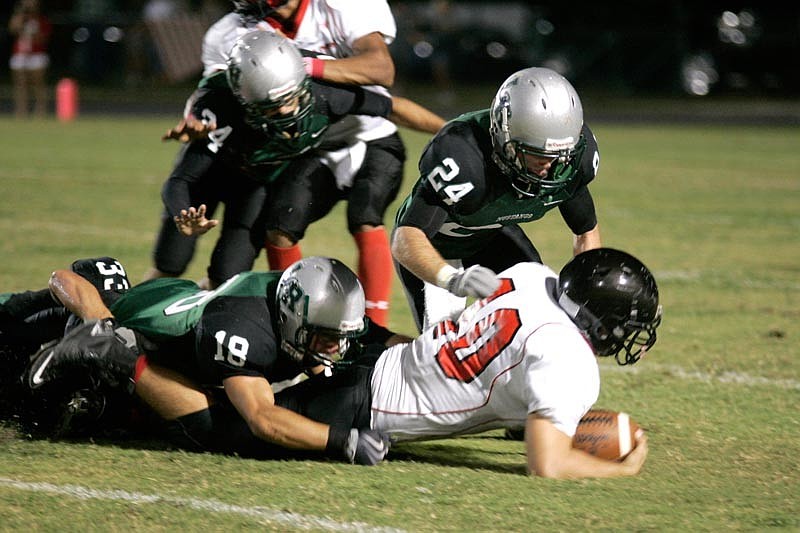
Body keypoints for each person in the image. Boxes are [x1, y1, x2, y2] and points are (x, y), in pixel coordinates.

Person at [169, 0, 446, 326]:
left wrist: (452, 131)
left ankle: (375, 329)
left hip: (369, 132)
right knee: (279, 227)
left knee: (365, 216)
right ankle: (290, 320)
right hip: (313, 146)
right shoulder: (234, 33)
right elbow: (213, 93)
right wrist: (195, 119)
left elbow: (384, 79)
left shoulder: (338, 17)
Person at [27, 256, 410, 465]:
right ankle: (107, 348)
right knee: (214, 426)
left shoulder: (302, 306)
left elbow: (381, 338)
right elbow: (263, 420)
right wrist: (343, 442)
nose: (334, 349)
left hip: (169, 331)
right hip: (137, 336)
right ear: (293, 320)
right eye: (326, 339)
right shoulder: (244, 327)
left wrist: (444, 347)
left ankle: (108, 373)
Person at [142, 31, 426, 295]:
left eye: (292, 97)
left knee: (226, 277)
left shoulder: (324, 95)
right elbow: (183, 178)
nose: (289, 109)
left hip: (254, 187)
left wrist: (451, 131)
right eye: (273, 105)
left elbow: (393, 107)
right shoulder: (222, 108)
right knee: (169, 264)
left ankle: (188, 325)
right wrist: (182, 214)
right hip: (210, 180)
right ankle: (125, 326)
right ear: (246, 99)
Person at [391, 67, 603, 332]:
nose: (549, 166)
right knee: (444, 351)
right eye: (537, 154)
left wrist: (587, 296)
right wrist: (452, 279)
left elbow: (586, 232)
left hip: (490, 237)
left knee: (539, 315)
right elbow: (406, 237)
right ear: (506, 138)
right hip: (436, 250)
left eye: (559, 156)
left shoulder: (569, 164)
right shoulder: (464, 157)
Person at [8, 0, 51, 118]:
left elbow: (43, 39)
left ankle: (40, 110)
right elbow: (12, 29)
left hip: (36, 54)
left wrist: (33, 32)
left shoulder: (41, 20)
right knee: (20, 84)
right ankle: (21, 110)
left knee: (38, 84)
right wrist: (20, 17)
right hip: (20, 54)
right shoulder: (19, 18)